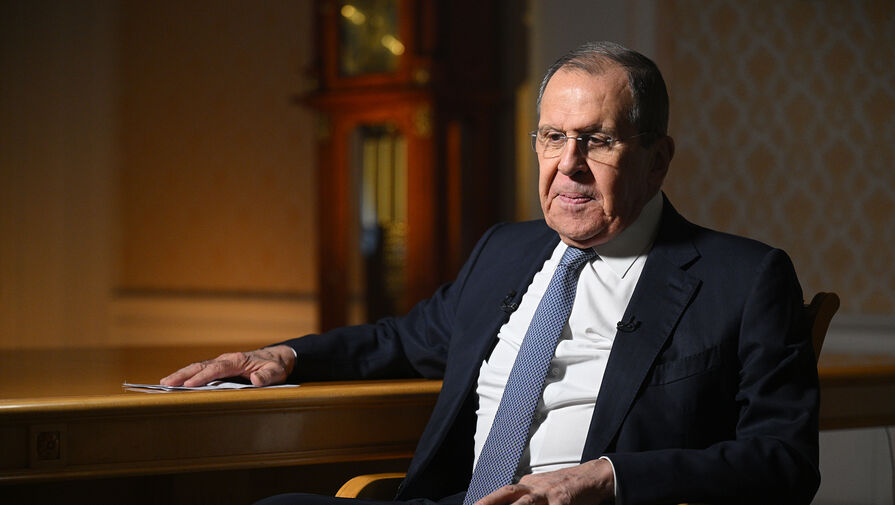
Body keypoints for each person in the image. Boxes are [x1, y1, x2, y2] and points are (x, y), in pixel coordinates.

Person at [161, 41, 820, 505]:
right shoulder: (505, 249)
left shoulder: (743, 278)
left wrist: (603, 477)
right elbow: (404, 341)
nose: (568, 164)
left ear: (657, 159)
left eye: (597, 140)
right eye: (552, 137)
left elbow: (784, 460)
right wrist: (281, 356)